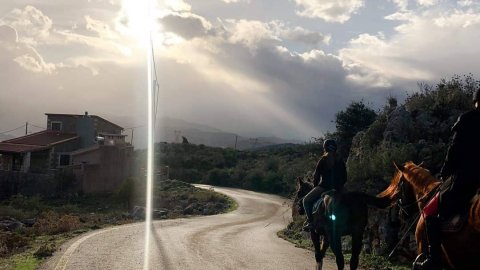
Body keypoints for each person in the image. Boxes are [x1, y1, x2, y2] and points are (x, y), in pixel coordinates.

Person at [416, 89, 480, 269]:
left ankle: (434, 257)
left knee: (431, 212)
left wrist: (445, 172)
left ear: (476, 101)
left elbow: (454, 149)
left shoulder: (468, 119)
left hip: (466, 178)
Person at [302, 139, 347, 231]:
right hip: (339, 188)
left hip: (324, 187)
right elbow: (345, 177)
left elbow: (316, 177)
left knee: (306, 201)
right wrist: (340, 186)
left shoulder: (323, 160)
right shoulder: (340, 160)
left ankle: (310, 221)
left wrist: (315, 186)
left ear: (325, 148)